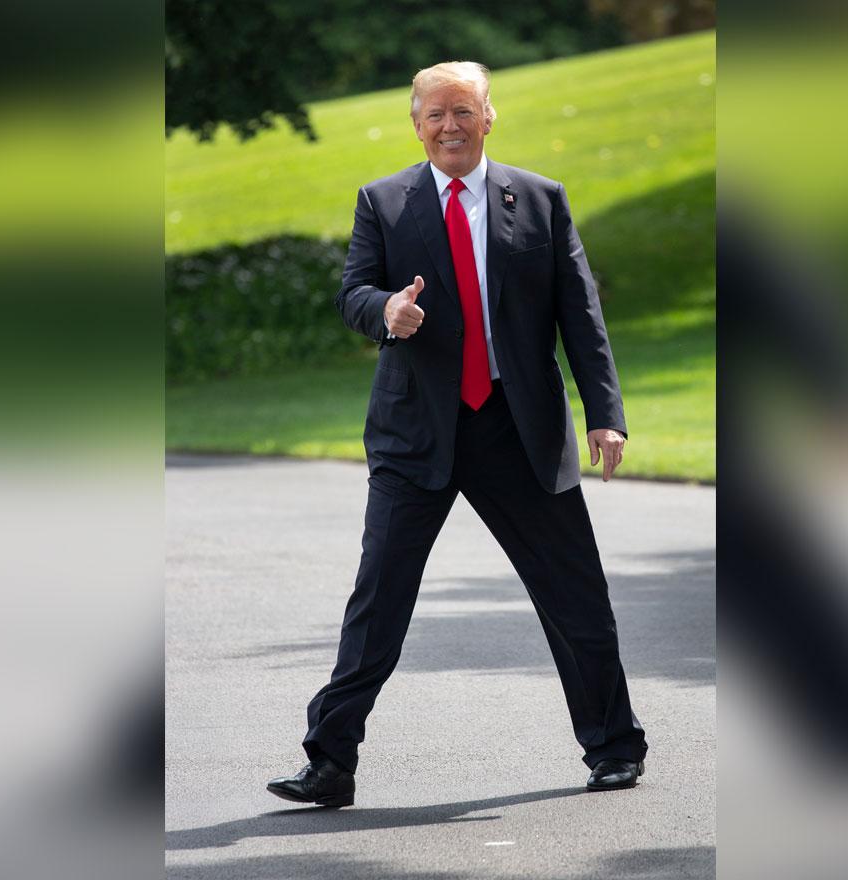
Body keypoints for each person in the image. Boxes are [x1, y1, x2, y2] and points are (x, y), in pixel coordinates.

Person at [267, 61, 647, 807]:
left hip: (519, 428)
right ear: (417, 123)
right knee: (378, 601)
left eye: (463, 111)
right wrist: (387, 312)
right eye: (436, 113)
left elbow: (580, 313)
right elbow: (353, 292)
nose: (450, 125)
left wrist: (605, 412)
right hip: (417, 435)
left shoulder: (540, 199)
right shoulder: (384, 202)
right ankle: (330, 763)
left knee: (575, 596)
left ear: (488, 116)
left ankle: (613, 747)